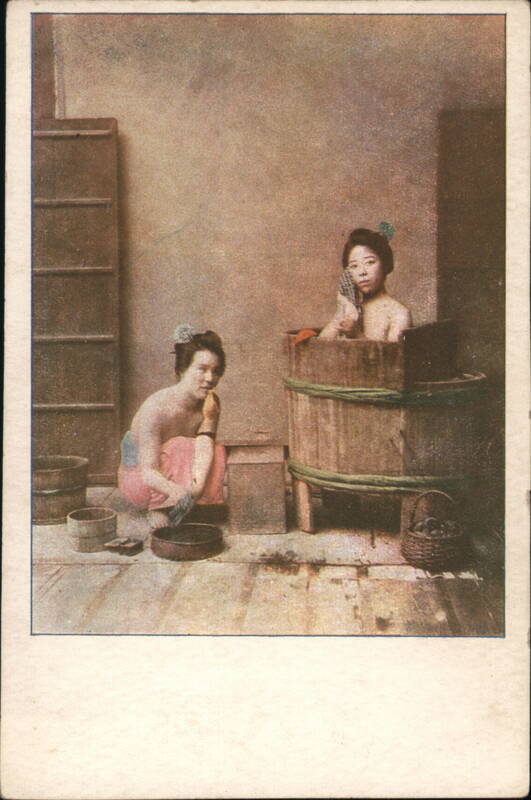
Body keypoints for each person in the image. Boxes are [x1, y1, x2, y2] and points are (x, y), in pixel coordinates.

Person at [118, 325, 226, 529]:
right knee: (180, 445)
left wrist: (195, 490)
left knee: (216, 450)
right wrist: (177, 492)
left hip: (175, 479)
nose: (210, 379)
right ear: (182, 370)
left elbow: (204, 446)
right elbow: (148, 472)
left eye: (216, 371)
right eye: (202, 369)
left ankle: (189, 505)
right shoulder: (156, 408)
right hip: (142, 481)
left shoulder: (211, 403)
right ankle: (159, 509)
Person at [319, 228, 412, 342]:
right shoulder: (349, 309)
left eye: (370, 262)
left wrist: (356, 334)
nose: (362, 272)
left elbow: (393, 358)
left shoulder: (399, 313)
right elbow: (319, 349)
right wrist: (340, 314)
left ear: (385, 264)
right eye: (354, 266)